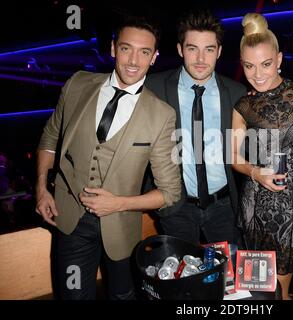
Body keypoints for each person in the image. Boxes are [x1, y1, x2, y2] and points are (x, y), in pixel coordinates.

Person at [35, 17, 181, 300]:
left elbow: (170, 192)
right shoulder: (78, 84)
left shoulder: (162, 115)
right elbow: (50, 138)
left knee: (123, 296)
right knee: (73, 294)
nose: (133, 61)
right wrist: (42, 188)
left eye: (144, 52)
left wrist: (118, 204)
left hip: (122, 231)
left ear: (154, 58)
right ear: (113, 48)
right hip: (70, 221)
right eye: (126, 49)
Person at [231, 13, 293, 300]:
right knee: (260, 290)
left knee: (281, 289)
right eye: (249, 66)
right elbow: (233, 157)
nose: (257, 74)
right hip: (257, 206)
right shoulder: (243, 104)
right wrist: (256, 173)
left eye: (266, 64)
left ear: (280, 59)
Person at [145, 10, 247, 246]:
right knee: (181, 279)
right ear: (181, 49)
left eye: (209, 49)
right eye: (192, 48)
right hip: (177, 207)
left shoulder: (237, 93)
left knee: (227, 279)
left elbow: (253, 146)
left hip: (225, 208)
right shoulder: (154, 87)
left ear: (219, 52)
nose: (201, 59)